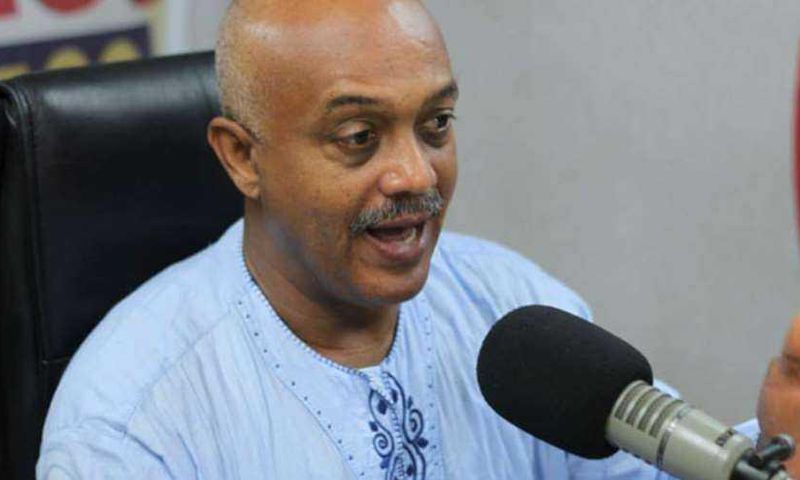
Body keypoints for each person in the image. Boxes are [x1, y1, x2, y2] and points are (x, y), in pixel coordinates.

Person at [35, 0, 800, 478]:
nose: (415, 174)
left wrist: (773, 445)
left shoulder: (514, 309)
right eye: (359, 137)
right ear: (242, 157)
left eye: (435, 124)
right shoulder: (132, 423)